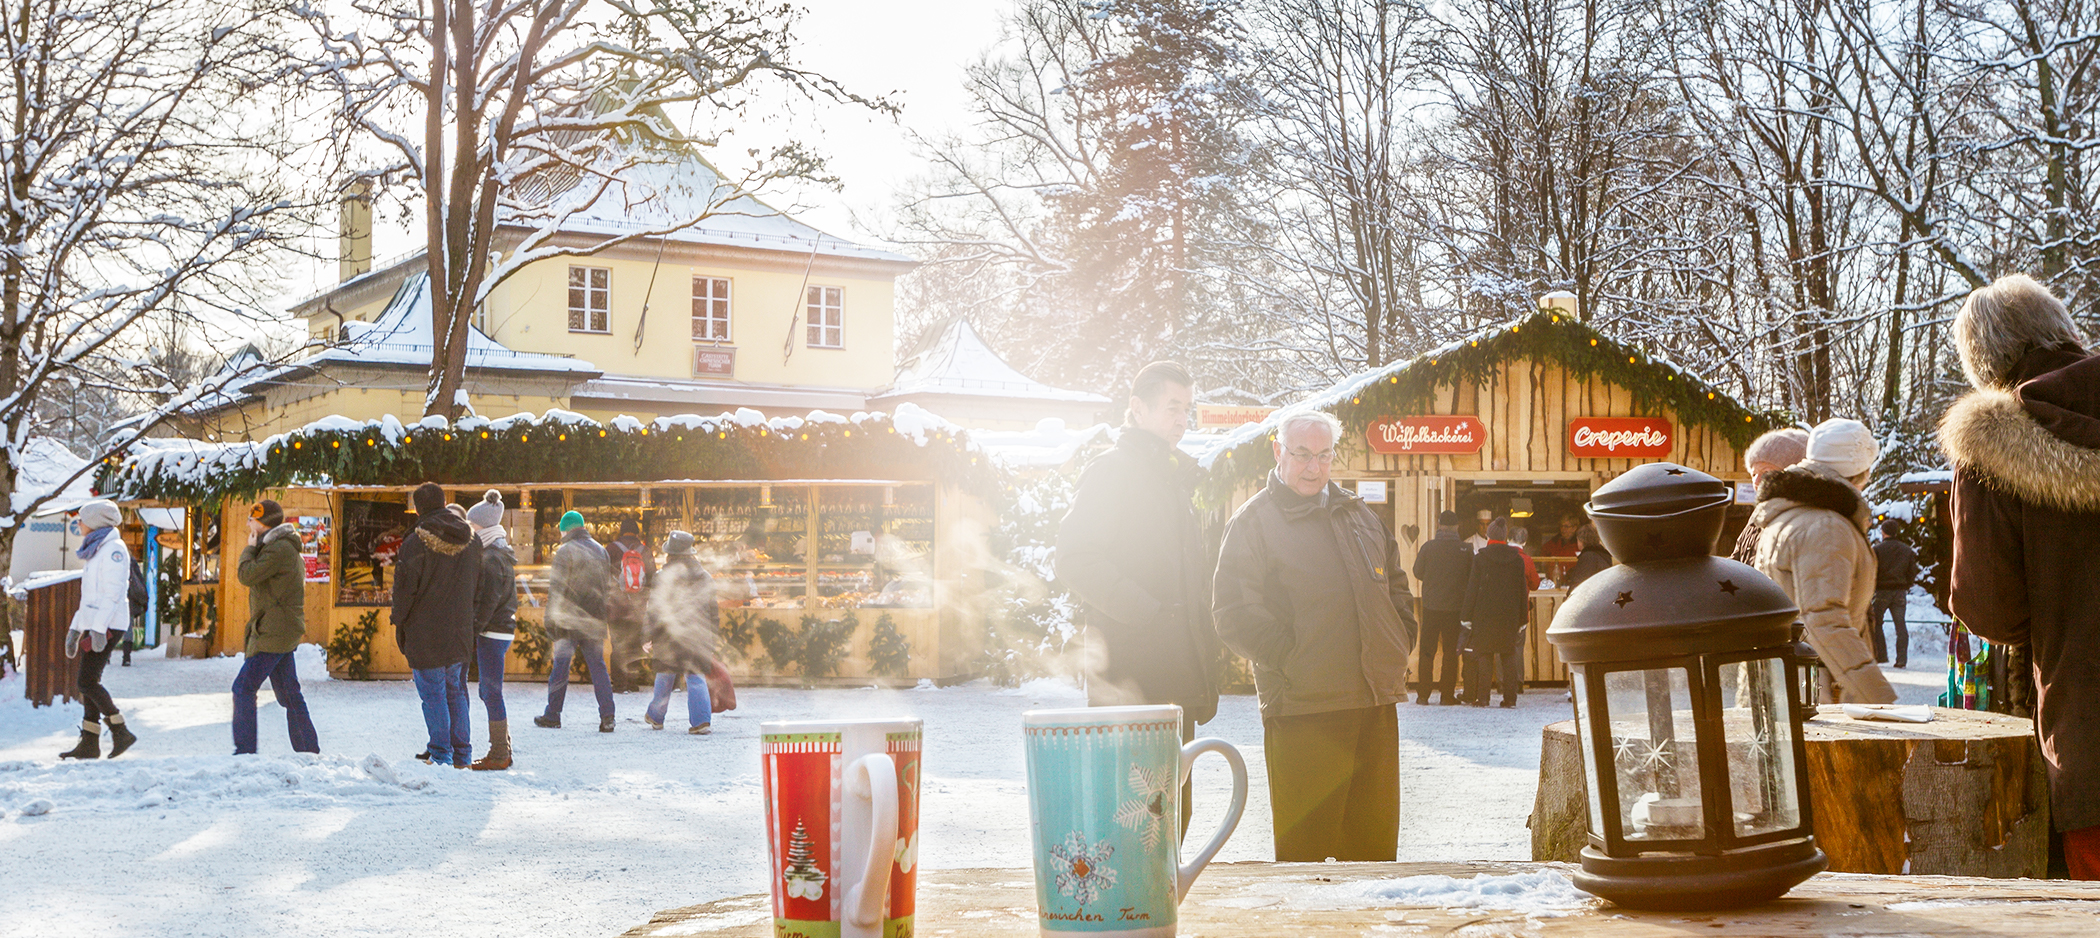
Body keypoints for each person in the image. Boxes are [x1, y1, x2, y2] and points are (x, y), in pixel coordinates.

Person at [1939, 273, 2100, 879]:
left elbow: (1991, 610)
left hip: (2092, 735)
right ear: (2064, 329)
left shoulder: (1990, 443)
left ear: (1983, 361)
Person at [1213, 410, 1417, 862]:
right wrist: (1293, 660)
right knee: (1305, 857)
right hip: (1304, 708)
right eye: (1302, 454)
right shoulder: (1253, 523)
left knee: (1374, 853)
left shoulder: (1359, 514)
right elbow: (1232, 613)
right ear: (1278, 451)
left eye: (1324, 455)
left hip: (1374, 704)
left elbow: (1397, 589)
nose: (1314, 467)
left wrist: (1399, 642)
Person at [1056, 361, 1224, 836]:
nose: (1182, 419)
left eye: (1187, 409)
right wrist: (1148, 614)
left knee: (1170, 817)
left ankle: (1162, 911)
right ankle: (1130, 912)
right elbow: (1074, 558)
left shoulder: (1172, 479)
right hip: (1130, 683)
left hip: (1177, 680)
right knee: (1133, 822)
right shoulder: (1113, 471)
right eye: (1172, 407)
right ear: (1137, 408)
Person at [1751, 418, 1896, 705]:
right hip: (1815, 694)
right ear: (1861, 473)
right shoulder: (1826, 526)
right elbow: (1823, 620)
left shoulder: (1796, 514)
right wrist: (1876, 696)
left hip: (1789, 684)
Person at [392, 483, 482, 766]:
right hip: (460, 631)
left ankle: (442, 755)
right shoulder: (473, 540)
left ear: (419, 508)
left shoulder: (415, 543)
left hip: (425, 632)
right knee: (455, 690)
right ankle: (462, 754)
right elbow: (481, 586)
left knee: (433, 695)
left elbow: (404, 591)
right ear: (444, 502)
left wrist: (399, 622)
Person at [231, 499, 320, 756]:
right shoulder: (276, 546)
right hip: (279, 627)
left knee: (243, 687)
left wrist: (248, 549)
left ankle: (245, 752)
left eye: (252, 519)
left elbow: (247, 575)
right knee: (289, 694)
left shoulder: (278, 549)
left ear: (263, 523)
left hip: (274, 630)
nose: (248, 523)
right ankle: (308, 751)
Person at [58, 500, 138, 760]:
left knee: (86, 681)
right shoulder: (96, 549)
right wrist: (76, 629)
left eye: (81, 519)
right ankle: (90, 743)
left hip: (109, 624)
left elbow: (113, 594)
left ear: (95, 522)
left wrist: (100, 629)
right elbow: (90, 598)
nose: (78, 523)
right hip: (97, 624)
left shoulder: (114, 550)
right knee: (89, 681)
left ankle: (120, 730)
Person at [536, 510, 618, 732]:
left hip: (568, 619)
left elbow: (557, 589)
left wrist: (550, 619)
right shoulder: (601, 551)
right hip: (594, 618)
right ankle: (608, 716)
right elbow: (606, 587)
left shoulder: (565, 552)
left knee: (561, 666)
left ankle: (553, 714)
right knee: (598, 668)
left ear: (567, 529)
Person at [644, 531, 719, 735]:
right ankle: (701, 721)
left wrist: (649, 634)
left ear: (670, 554)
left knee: (665, 674)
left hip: (668, 634)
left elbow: (654, 609)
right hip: (698, 633)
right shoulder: (704, 576)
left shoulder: (661, 577)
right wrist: (713, 637)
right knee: (695, 676)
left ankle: (656, 717)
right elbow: (712, 610)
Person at [465, 490, 517, 770]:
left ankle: (499, 753)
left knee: (491, 690)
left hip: (493, 631)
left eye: (472, 525)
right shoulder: (498, 551)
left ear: (482, 526)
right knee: (488, 690)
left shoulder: (492, 556)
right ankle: (502, 747)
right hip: (499, 629)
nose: (470, 529)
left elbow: (489, 600)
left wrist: (473, 629)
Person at [1460, 518, 1530, 708]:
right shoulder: (1517, 559)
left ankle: (1483, 698)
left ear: (1489, 535)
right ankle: (1510, 698)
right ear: (1505, 536)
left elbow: (1472, 589)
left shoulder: (1481, 558)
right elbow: (1522, 591)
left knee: (1485, 655)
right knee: (1508, 655)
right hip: (1509, 614)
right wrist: (1523, 618)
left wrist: (1466, 616)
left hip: (1484, 614)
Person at [1410, 510, 1472, 706]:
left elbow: (1417, 571)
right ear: (1457, 526)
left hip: (1431, 607)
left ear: (1439, 524)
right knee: (1450, 652)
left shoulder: (1428, 547)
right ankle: (1446, 695)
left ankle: (1423, 695)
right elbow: (1472, 576)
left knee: (1427, 651)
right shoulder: (1465, 549)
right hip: (1455, 608)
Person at [1730, 428, 1810, 564]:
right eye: (1753, 474)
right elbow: (1737, 561)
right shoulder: (1760, 513)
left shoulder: (1804, 519)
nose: (1756, 481)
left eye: (1765, 472)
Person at [603, 518, 655, 692]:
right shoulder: (645, 551)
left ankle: (619, 684)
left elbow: (602, 576)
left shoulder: (610, 549)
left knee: (618, 645)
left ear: (621, 531)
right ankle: (632, 683)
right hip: (638, 608)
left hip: (616, 607)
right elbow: (652, 580)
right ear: (637, 533)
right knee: (634, 645)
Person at [1869, 520, 1919, 669]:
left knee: (1877, 623)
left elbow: (1872, 570)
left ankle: (1881, 656)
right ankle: (1901, 660)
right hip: (1899, 592)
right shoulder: (1906, 550)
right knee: (1900, 626)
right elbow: (1912, 572)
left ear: (1883, 532)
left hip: (1881, 591)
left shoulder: (1877, 550)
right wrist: (1906, 585)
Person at [1563, 524, 1611, 589]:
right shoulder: (1603, 555)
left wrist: (1570, 596)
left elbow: (1579, 584)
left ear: (1581, 540)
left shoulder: (1588, 557)